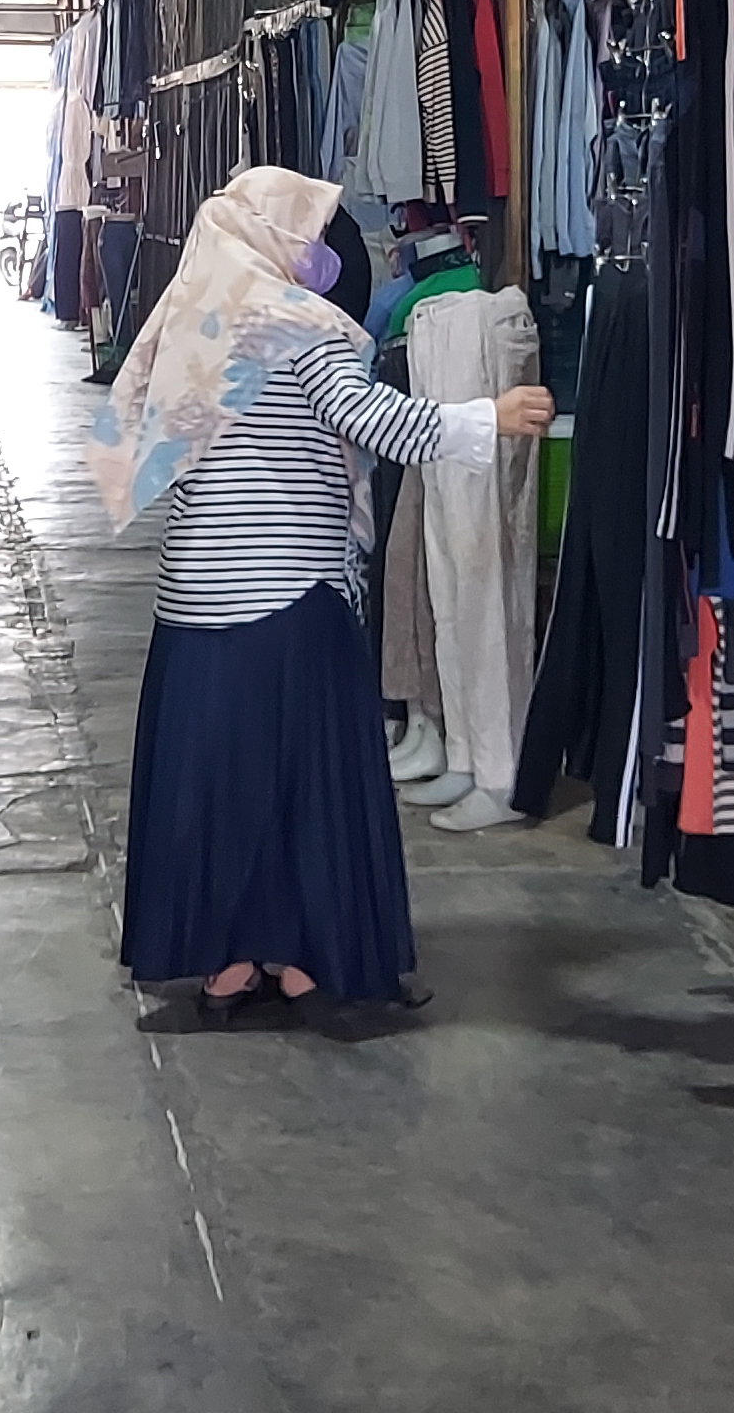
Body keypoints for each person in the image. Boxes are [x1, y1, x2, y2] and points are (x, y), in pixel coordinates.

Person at [86, 165, 550, 1022]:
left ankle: (227, 959)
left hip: (194, 602)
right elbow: (369, 419)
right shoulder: (296, 326)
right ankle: (306, 955)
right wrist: (484, 416)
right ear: (271, 240)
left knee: (218, 783)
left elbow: (125, 443)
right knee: (306, 781)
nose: (321, 256)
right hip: (289, 594)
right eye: (307, 237)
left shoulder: (186, 320)